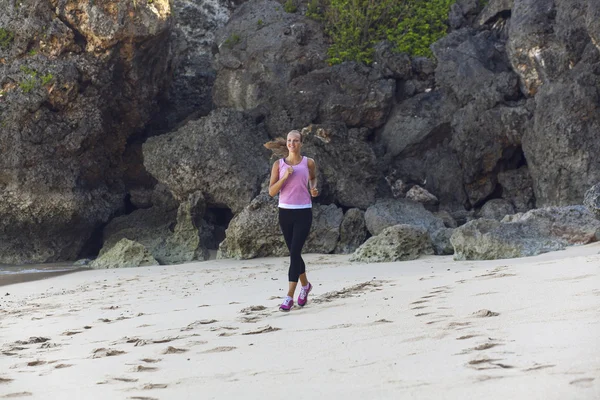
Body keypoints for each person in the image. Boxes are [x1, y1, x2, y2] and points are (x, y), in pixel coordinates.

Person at [267, 130, 318, 312]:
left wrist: (313, 189)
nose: (292, 143)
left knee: (295, 253)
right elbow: (272, 191)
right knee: (294, 253)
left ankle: (289, 296)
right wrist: (285, 177)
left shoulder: (308, 162)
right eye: (289, 140)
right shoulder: (278, 165)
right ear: (286, 143)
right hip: (285, 212)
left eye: (296, 141)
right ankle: (305, 286)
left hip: (303, 212)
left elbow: (312, 179)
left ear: (301, 143)